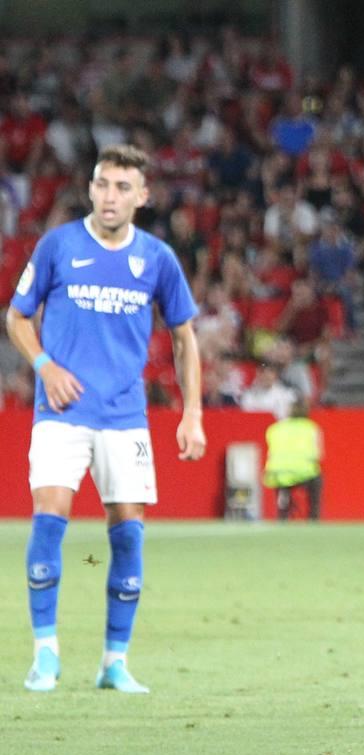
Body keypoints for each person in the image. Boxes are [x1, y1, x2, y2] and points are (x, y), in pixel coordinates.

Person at [6, 144, 206, 694]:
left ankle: (114, 662)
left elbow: (185, 337)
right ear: (90, 188)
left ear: (142, 197)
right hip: (62, 412)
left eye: (122, 187)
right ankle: (45, 654)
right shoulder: (58, 246)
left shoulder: (157, 258)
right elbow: (16, 317)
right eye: (101, 184)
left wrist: (192, 413)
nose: (109, 195)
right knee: (49, 517)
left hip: (124, 417)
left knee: (128, 537)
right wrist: (45, 366)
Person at [263, 397, 323, 521]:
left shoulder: (275, 428)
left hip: (277, 474)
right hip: (304, 473)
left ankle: (283, 510)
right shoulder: (311, 428)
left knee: (283, 484)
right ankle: (314, 515)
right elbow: (319, 455)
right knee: (317, 478)